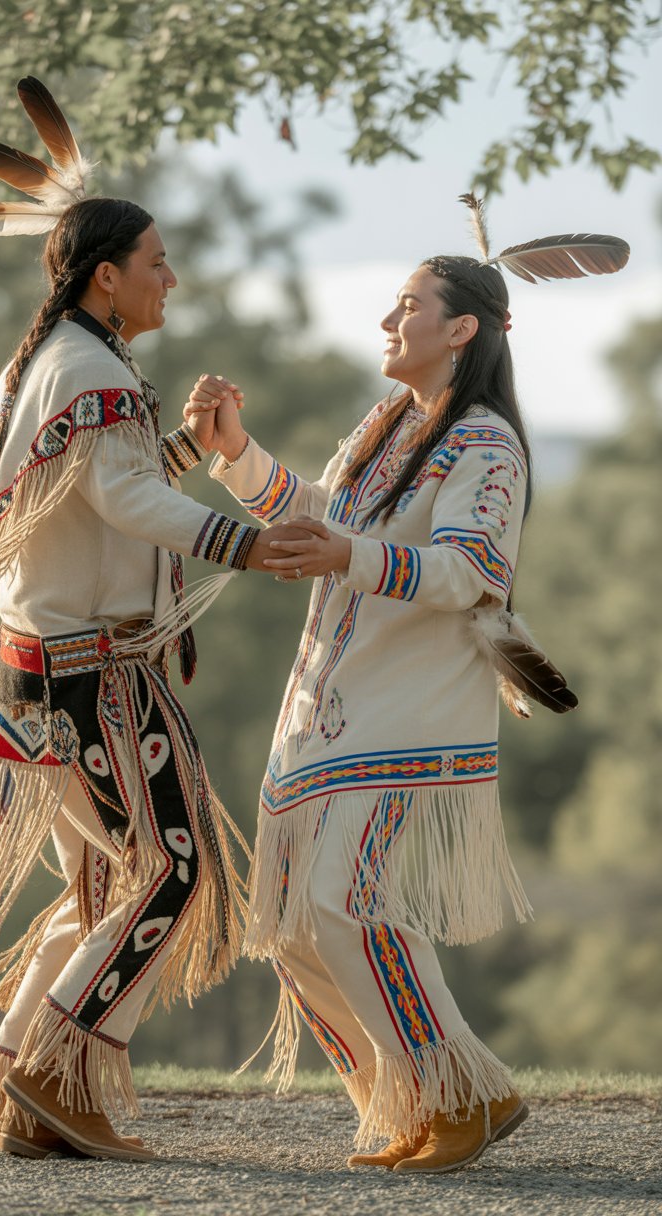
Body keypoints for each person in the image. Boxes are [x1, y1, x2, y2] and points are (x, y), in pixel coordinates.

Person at [0, 82, 307, 1163]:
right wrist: (246, 541)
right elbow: (128, 502)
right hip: (92, 680)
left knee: (103, 885)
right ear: (107, 275)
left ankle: (20, 1086)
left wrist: (188, 445)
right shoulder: (88, 368)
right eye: (157, 263)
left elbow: (91, 498)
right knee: (173, 870)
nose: (170, 279)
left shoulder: (51, 363)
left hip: (35, 672)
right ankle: (59, 1074)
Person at [183, 231, 625, 1173]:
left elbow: (470, 570)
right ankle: (417, 1102)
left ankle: (467, 1092)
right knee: (297, 932)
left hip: (408, 710)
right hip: (324, 709)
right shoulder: (385, 426)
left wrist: (350, 556)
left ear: (462, 329)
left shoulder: (487, 444)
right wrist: (236, 454)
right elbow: (324, 515)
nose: (389, 319)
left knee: (343, 901)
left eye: (410, 305)